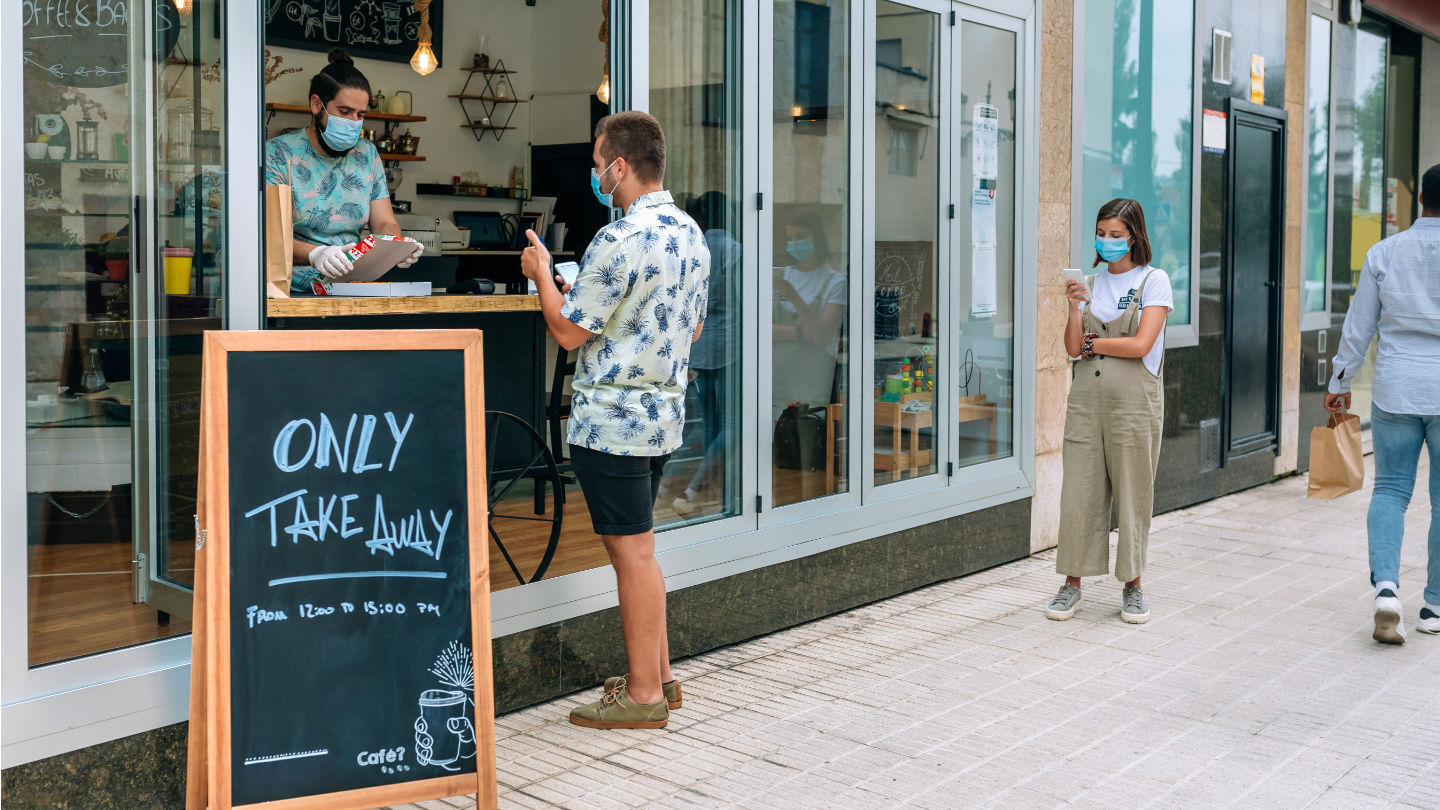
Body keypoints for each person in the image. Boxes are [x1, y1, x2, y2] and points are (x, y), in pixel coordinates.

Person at [521, 111, 710, 729]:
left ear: (619, 166)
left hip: (611, 423)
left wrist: (544, 276)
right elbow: (693, 326)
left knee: (631, 555)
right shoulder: (690, 234)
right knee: (642, 551)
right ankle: (663, 678)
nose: (596, 175)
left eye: (599, 162)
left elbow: (567, 330)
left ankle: (644, 696)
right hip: (662, 418)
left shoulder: (619, 239)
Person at [1325, 163, 1440, 644]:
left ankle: (1387, 589)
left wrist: (1340, 379)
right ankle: (1433, 606)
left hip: (1397, 387)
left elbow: (1360, 325)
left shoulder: (1384, 253)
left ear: (1420, 202)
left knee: (1391, 490)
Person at [1046, 198, 1173, 625]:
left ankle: (1133, 585)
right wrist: (1073, 307)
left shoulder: (1155, 281)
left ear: (1135, 236)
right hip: (1086, 402)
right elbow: (1069, 347)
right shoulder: (1092, 284)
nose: (1107, 241)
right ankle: (1072, 585)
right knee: (1078, 492)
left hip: (1135, 406)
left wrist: (1092, 345)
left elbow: (1140, 345)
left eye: (1116, 235)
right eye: (1102, 234)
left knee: (1134, 492)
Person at [263, 48, 422, 293]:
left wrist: (394, 247)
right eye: (344, 112)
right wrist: (315, 254)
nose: (353, 122)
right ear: (316, 104)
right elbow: (266, 234)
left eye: (360, 115)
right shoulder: (278, 154)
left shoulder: (367, 155)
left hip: (351, 289)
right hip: (289, 294)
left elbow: (384, 223)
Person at [673, 191, 739, 517]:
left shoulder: (693, 247)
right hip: (728, 346)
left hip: (699, 345)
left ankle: (716, 498)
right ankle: (696, 489)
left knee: (713, 426)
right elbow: (744, 300)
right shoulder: (734, 250)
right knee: (735, 426)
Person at [772, 210, 847, 421]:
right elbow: (760, 331)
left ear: (817, 238)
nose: (795, 243)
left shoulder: (835, 282)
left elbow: (821, 335)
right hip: (775, 385)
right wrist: (799, 333)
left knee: (809, 446)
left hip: (812, 387)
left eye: (801, 237)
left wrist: (793, 297)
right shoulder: (779, 275)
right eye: (790, 239)